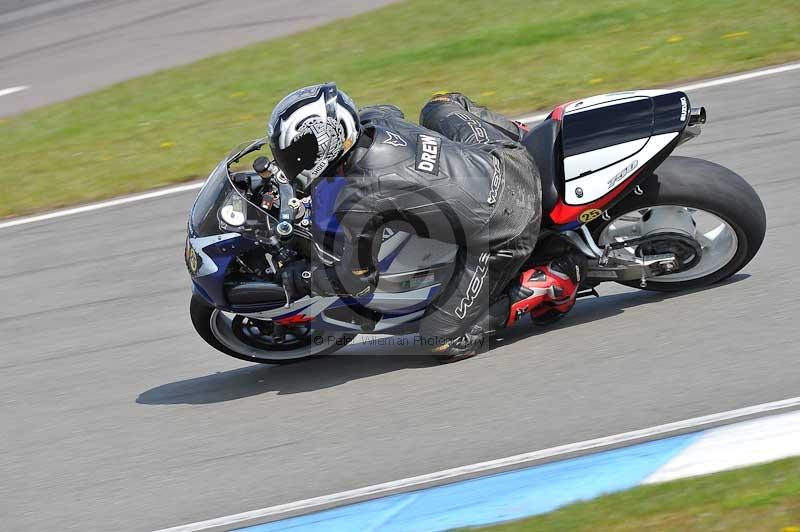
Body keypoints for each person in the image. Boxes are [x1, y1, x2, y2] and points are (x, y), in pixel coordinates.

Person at [269, 82, 583, 362]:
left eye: (297, 152)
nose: (291, 160)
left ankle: (548, 283)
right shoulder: (373, 123)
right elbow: (388, 109)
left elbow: (358, 277)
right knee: (440, 104)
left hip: (506, 225)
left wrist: (305, 279)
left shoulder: (363, 196)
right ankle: (525, 135)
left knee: (442, 338)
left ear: (328, 143)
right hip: (504, 154)